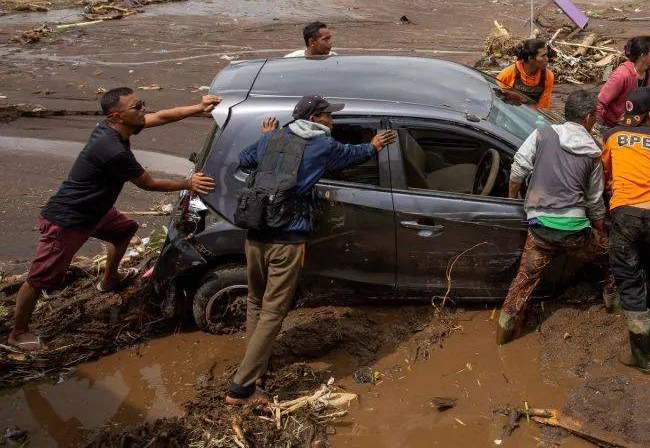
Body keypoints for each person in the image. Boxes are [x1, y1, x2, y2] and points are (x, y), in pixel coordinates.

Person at [7, 88, 220, 351]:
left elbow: (161, 117)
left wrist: (199, 108)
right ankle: (17, 333)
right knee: (40, 279)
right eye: (137, 107)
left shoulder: (117, 126)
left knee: (124, 230)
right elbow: (149, 184)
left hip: (95, 212)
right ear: (117, 115)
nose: (144, 110)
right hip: (69, 219)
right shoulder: (113, 150)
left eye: (142, 104)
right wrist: (189, 183)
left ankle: (109, 280)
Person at [225, 95, 396, 405]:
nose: (333, 121)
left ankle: (256, 368)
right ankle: (241, 388)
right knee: (274, 312)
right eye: (330, 116)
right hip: (286, 241)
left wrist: (267, 139)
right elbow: (352, 155)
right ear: (316, 118)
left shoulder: (273, 136)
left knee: (255, 301)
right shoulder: (322, 145)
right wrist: (374, 145)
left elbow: (246, 159)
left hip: (255, 235)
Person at [496, 89, 615, 345]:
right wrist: (601, 229)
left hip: (540, 230)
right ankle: (611, 301)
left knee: (524, 280)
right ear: (587, 117)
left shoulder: (543, 133)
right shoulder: (593, 151)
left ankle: (504, 330)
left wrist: (512, 199)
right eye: (594, 115)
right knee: (609, 255)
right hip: (575, 231)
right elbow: (595, 202)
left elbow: (518, 169)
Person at [601, 88, 650, 372]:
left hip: (625, 212)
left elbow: (605, 172)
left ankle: (643, 355)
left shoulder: (612, 137)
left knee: (629, 278)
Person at [596, 35, 650, 132]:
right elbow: (600, 103)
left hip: (636, 125)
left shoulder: (649, 74)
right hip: (613, 126)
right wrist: (599, 128)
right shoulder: (621, 75)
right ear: (643, 56)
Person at [496, 38, 554, 110]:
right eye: (543, 56)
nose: (547, 59)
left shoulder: (548, 76)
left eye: (546, 55)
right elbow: (497, 100)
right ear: (530, 59)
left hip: (531, 116)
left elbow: (543, 107)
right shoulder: (507, 74)